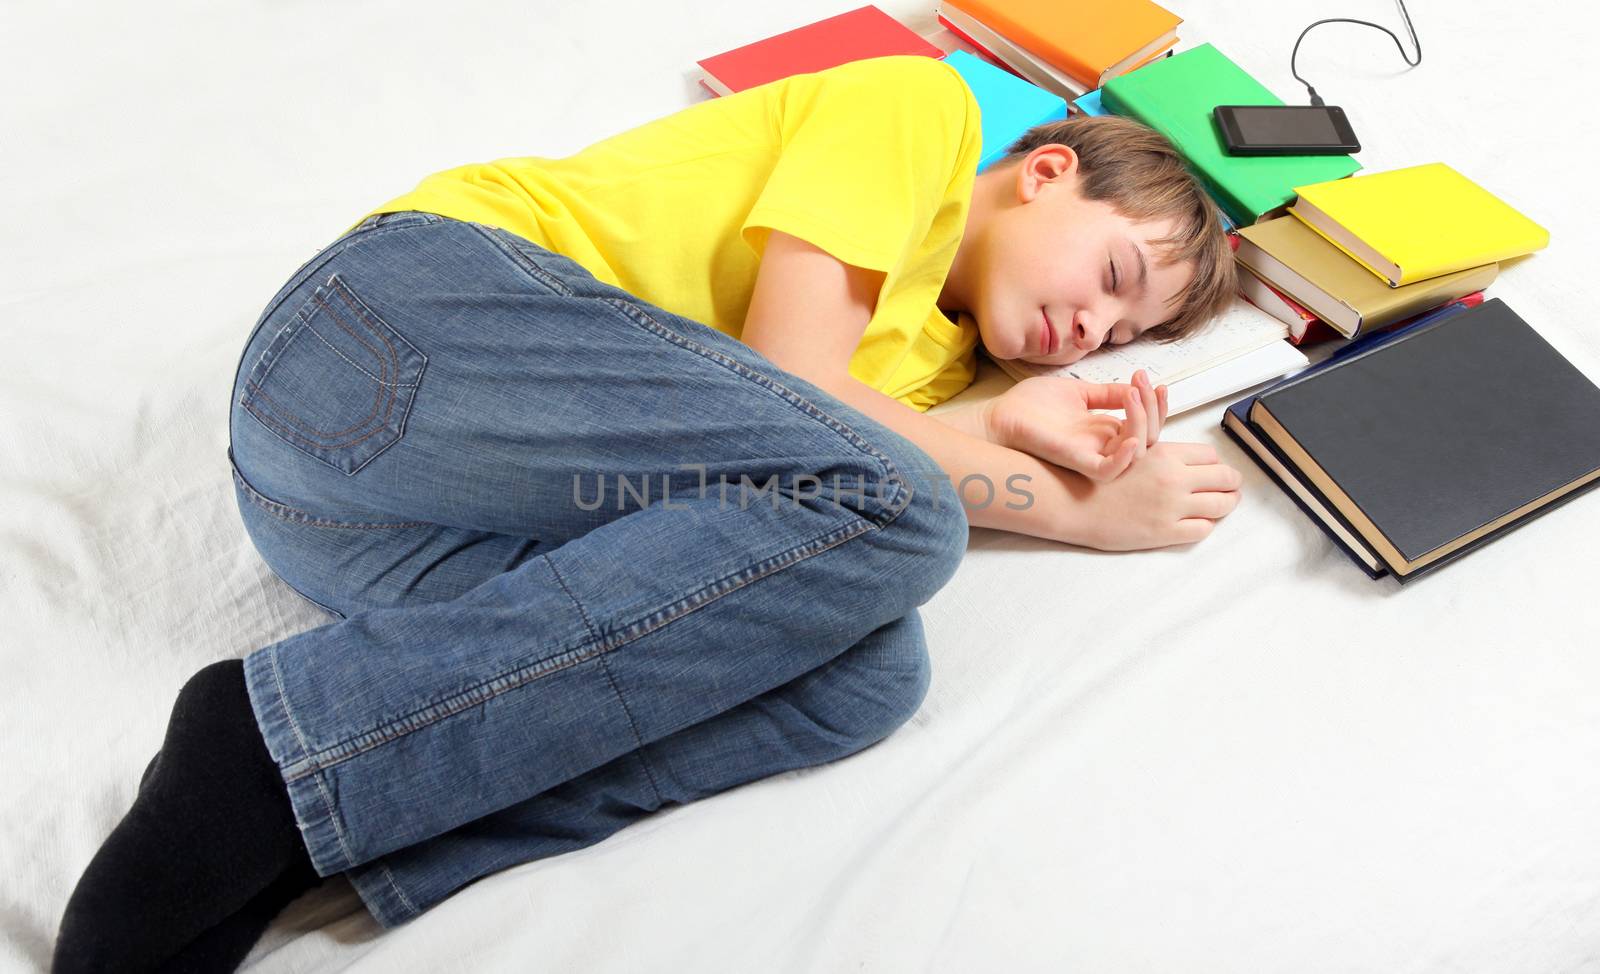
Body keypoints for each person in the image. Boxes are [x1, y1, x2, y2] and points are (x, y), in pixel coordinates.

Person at [53, 54, 1241, 971]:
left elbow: (798, 459)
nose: (1092, 329)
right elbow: (799, 382)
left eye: (1119, 337)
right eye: (1112, 277)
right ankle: (262, 755)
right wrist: (1080, 509)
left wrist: (1006, 421)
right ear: (1046, 172)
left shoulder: (931, 367)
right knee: (906, 522)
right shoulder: (915, 115)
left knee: (867, 671)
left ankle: (336, 812)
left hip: (362, 527)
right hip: (389, 335)